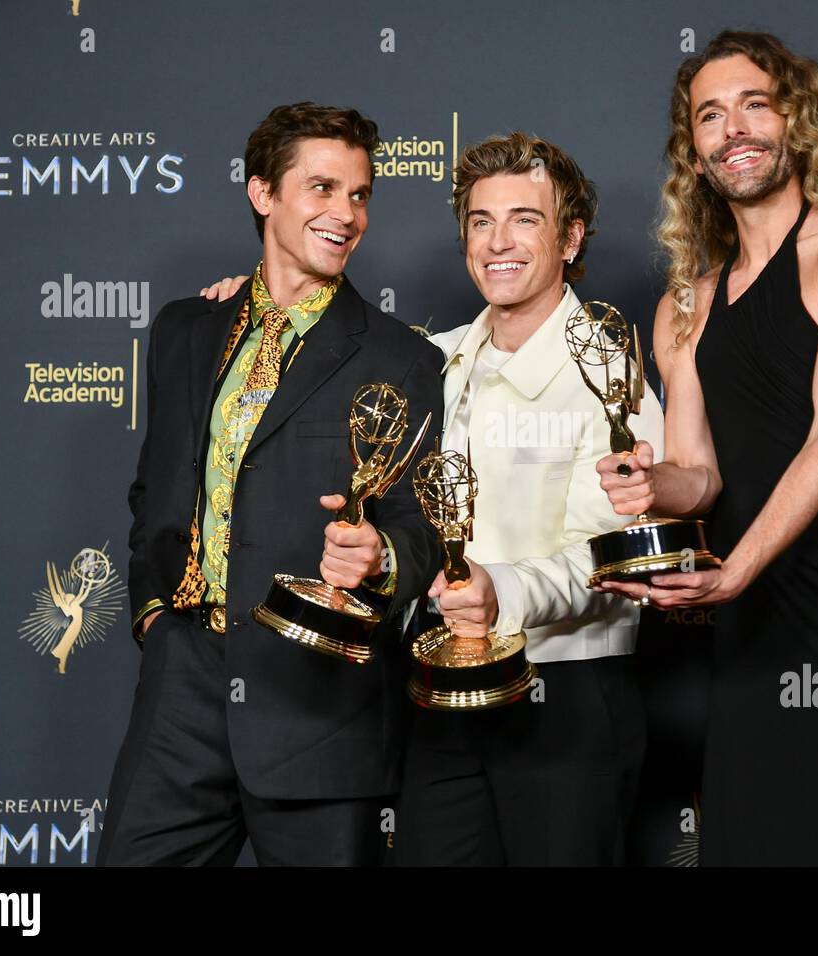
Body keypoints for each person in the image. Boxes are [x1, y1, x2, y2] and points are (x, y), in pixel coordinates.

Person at [205, 132, 665, 865]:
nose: (498, 242)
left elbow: (611, 562)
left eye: (526, 219)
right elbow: (323, 345)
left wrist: (500, 591)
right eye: (480, 221)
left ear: (571, 237)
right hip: (439, 699)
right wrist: (251, 305)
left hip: (566, 701)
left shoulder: (610, 376)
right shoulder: (435, 359)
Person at [595, 30, 818, 865]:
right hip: (757, 627)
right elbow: (701, 476)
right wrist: (653, 484)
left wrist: (733, 571)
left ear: (795, 122)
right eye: (711, 116)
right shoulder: (684, 307)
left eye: (755, 105)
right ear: (693, 153)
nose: (735, 129)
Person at [98, 102, 444, 866]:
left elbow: (423, 528)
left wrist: (381, 557)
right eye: (321, 189)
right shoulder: (187, 330)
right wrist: (155, 617)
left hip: (319, 701)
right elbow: (153, 489)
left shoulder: (402, 359)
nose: (345, 214)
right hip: (181, 695)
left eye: (359, 195)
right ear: (263, 194)